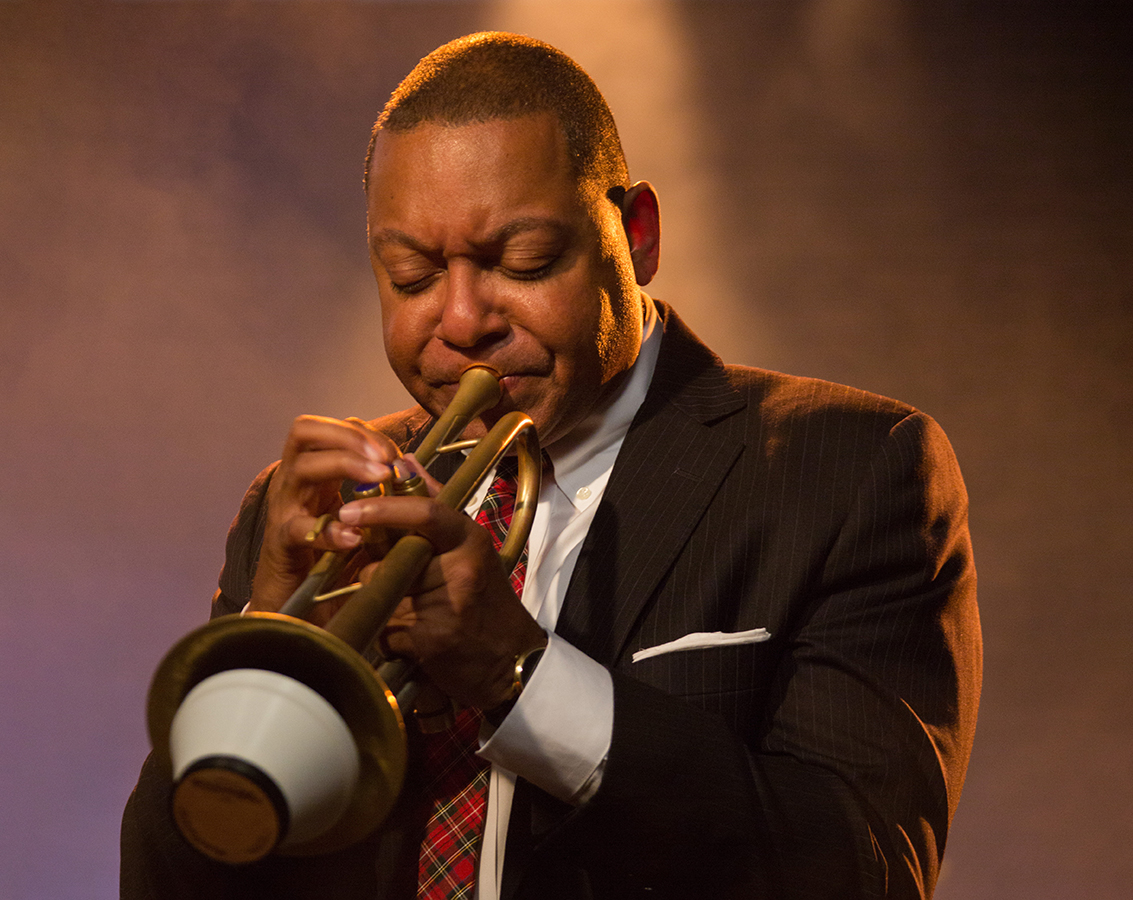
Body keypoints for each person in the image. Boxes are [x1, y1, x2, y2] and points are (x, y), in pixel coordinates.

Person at [121, 31, 981, 900]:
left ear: (635, 235)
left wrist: (516, 673)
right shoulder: (309, 506)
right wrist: (265, 652)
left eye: (521, 262)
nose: (461, 321)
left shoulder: (853, 470)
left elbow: (861, 873)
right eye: (411, 276)